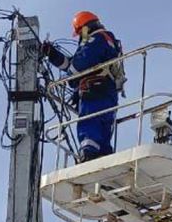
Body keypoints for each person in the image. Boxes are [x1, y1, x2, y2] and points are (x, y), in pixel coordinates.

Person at [42, 10, 123, 162]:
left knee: (89, 124)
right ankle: (104, 159)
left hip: (94, 92)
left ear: (86, 28)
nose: (80, 37)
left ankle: (88, 154)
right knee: (103, 130)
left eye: (80, 33)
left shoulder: (95, 39)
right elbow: (72, 65)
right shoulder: (107, 39)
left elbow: (77, 67)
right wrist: (52, 54)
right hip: (107, 92)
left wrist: (72, 80)